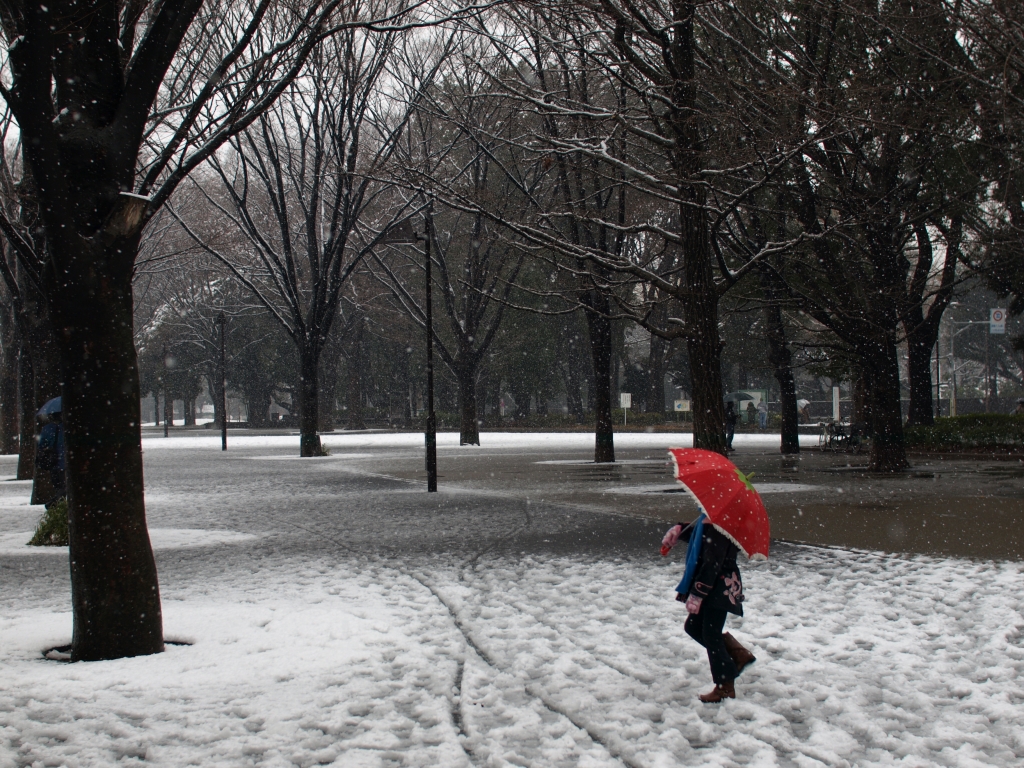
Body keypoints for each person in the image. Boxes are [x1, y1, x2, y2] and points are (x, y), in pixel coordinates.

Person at [662, 516, 756, 702]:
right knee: (695, 627)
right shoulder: (711, 521)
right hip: (713, 584)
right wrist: (681, 530)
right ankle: (737, 655)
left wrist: (698, 594)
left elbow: (713, 562)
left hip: (718, 586)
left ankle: (725, 686)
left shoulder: (720, 524)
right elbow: (703, 541)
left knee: (710, 633)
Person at [35, 410, 66, 504]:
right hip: (65, 463)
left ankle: (58, 503)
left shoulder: (46, 429)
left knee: (58, 487)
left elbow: (41, 445)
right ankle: (54, 503)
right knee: (65, 488)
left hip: (53, 463)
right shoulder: (66, 428)